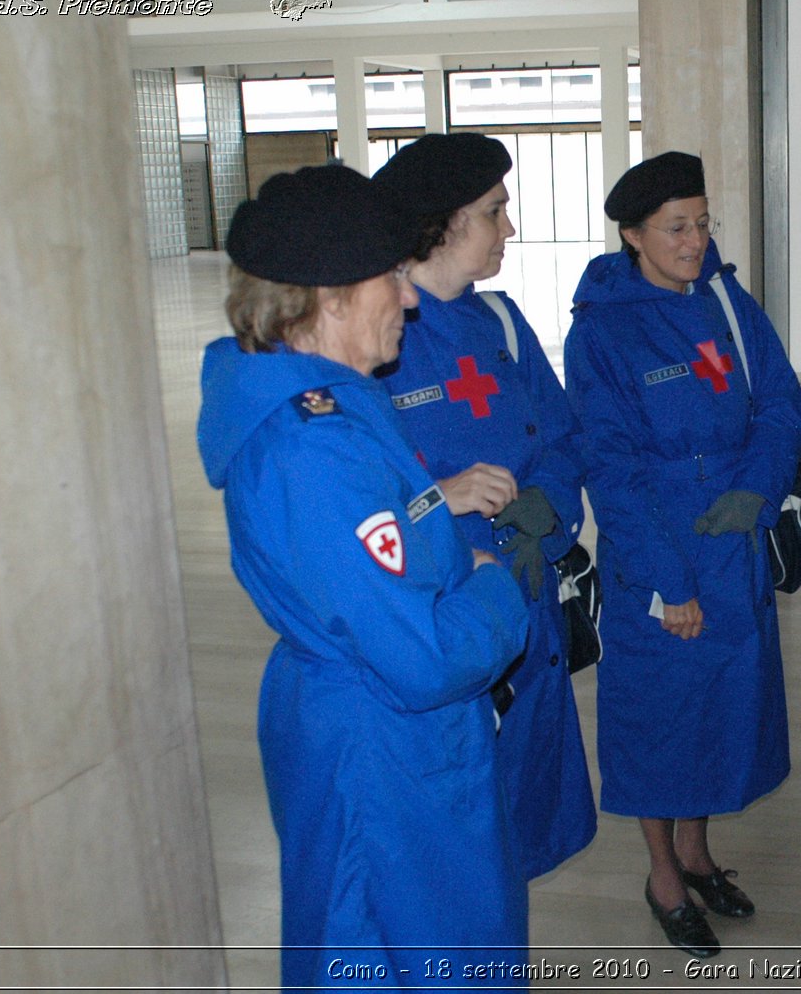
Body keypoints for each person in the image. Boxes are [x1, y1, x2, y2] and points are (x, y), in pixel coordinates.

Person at [196, 165, 529, 990]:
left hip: (398, 736)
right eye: (392, 280)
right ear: (332, 296)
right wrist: (494, 587)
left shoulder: (345, 405)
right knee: (391, 951)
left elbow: (395, 543)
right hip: (379, 750)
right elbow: (421, 658)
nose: (410, 302)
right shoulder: (312, 450)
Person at [563, 151, 801, 958]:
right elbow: (610, 467)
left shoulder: (726, 301)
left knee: (723, 704)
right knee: (659, 717)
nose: (695, 240)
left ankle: (698, 852)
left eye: (703, 222)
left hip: (732, 536)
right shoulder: (602, 330)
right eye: (676, 227)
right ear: (632, 236)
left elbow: (781, 397)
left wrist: (760, 489)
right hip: (658, 547)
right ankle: (662, 872)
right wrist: (668, 582)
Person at [372, 133, 597, 881]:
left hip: (528, 610)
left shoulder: (500, 322)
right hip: (444, 623)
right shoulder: (380, 339)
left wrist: (548, 512)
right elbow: (360, 509)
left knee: (518, 835)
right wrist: (441, 500)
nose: (511, 228)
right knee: (453, 847)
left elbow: (564, 438)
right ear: (443, 224)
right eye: (495, 212)